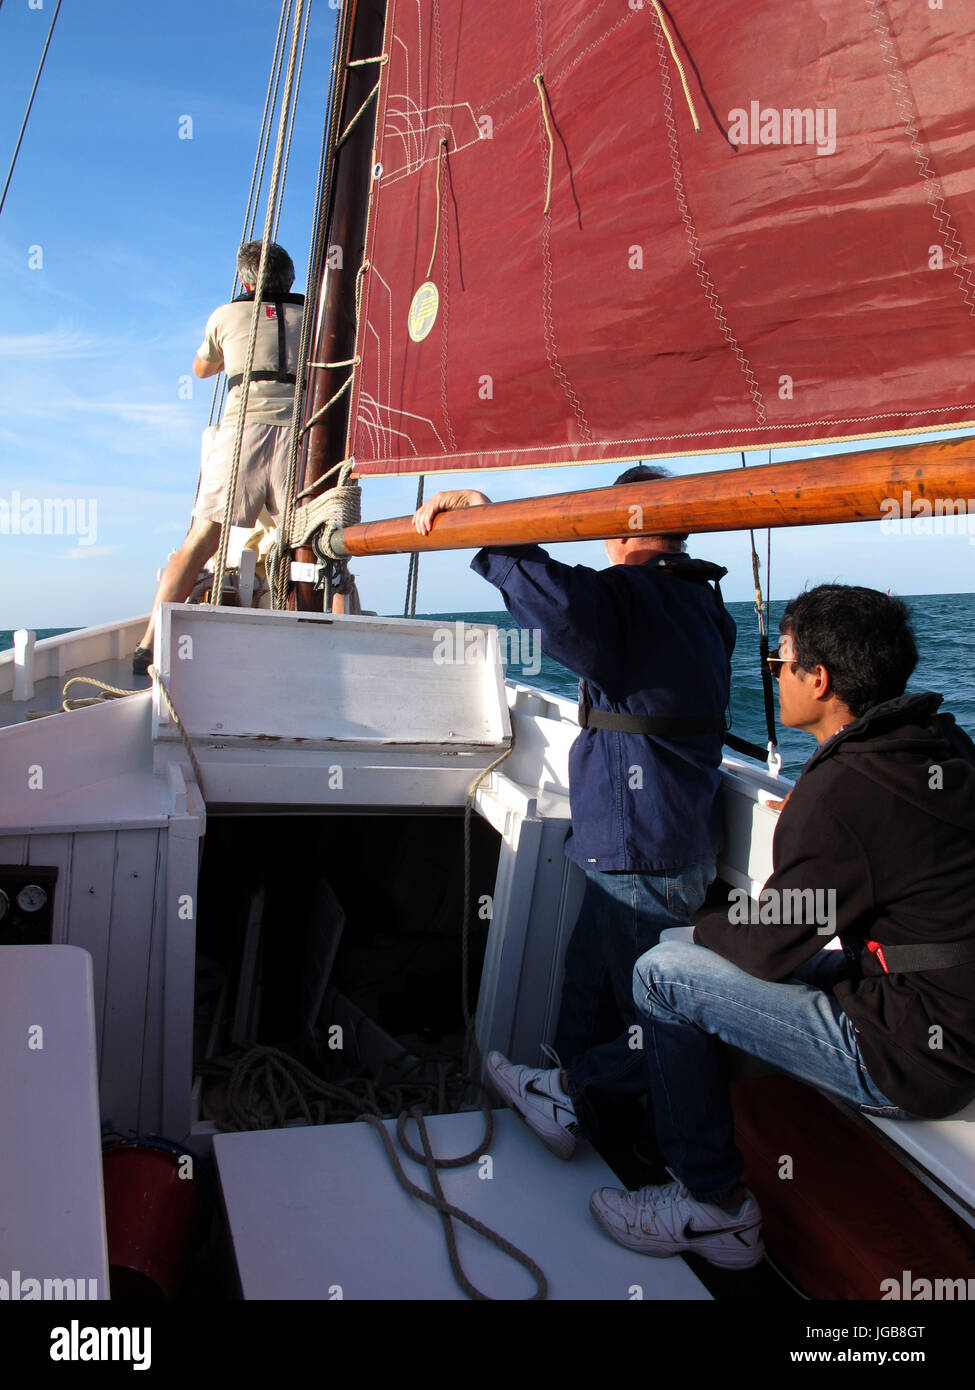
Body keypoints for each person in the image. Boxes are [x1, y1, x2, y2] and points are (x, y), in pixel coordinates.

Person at [588, 584, 975, 1270]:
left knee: (664, 971)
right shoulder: (935, 746)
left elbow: (767, 946)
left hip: (915, 1055)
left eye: (780, 662)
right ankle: (583, 1092)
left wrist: (703, 917)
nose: (774, 674)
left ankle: (713, 1208)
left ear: (817, 680)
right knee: (703, 960)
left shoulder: (845, 792)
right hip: (940, 1001)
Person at [412, 468, 736, 1164]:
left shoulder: (633, 598)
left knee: (651, 1020)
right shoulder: (699, 600)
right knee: (588, 985)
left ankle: (680, 1169)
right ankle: (573, 1104)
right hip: (658, 835)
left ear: (622, 525)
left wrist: (490, 527)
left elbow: (558, 606)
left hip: (638, 841)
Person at [132, 241, 304, 672]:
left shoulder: (225, 317)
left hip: (242, 432)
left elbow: (201, 369)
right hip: (299, 437)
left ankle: (148, 646)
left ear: (245, 281)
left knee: (200, 541)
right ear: (292, 280)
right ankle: (317, 643)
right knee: (308, 544)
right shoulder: (314, 318)